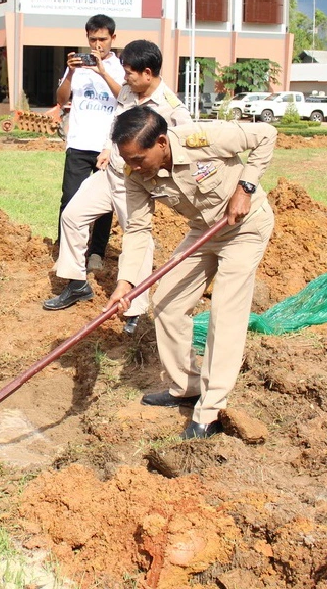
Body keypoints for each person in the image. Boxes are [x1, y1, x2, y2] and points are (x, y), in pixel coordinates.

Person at [106, 107, 276, 439]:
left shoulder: (202, 139)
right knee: (167, 302)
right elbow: (138, 230)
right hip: (203, 232)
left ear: (162, 142)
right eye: (129, 161)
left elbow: (266, 135)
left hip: (244, 226)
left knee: (225, 312)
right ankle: (188, 385)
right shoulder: (136, 175)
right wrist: (125, 282)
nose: (134, 167)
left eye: (139, 158)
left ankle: (211, 410)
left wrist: (246, 187)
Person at [44, 40, 192, 335]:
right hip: (110, 173)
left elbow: (183, 145)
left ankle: (135, 309)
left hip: (135, 183)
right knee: (71, 217)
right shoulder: (128, 91)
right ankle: (76, 284)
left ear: (147, 73)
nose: (124, 78)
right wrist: (106, 148)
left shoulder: (171, 107)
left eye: (129, 73)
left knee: (138, 239)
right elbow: (116, 126)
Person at [55, 14, 125, 275]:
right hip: (79, 143)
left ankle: (96, 253)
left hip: (108, 146)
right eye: (93, 39)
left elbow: (124, 98)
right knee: (69, 199)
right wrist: (72, 72)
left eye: (103, 39)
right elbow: (62, 99)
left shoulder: (120, 68)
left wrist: (102, 72)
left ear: (113, 39)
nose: (97, 44)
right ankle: (67, 253)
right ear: (87, 37)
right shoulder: (77, 66)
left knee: (104, 203)